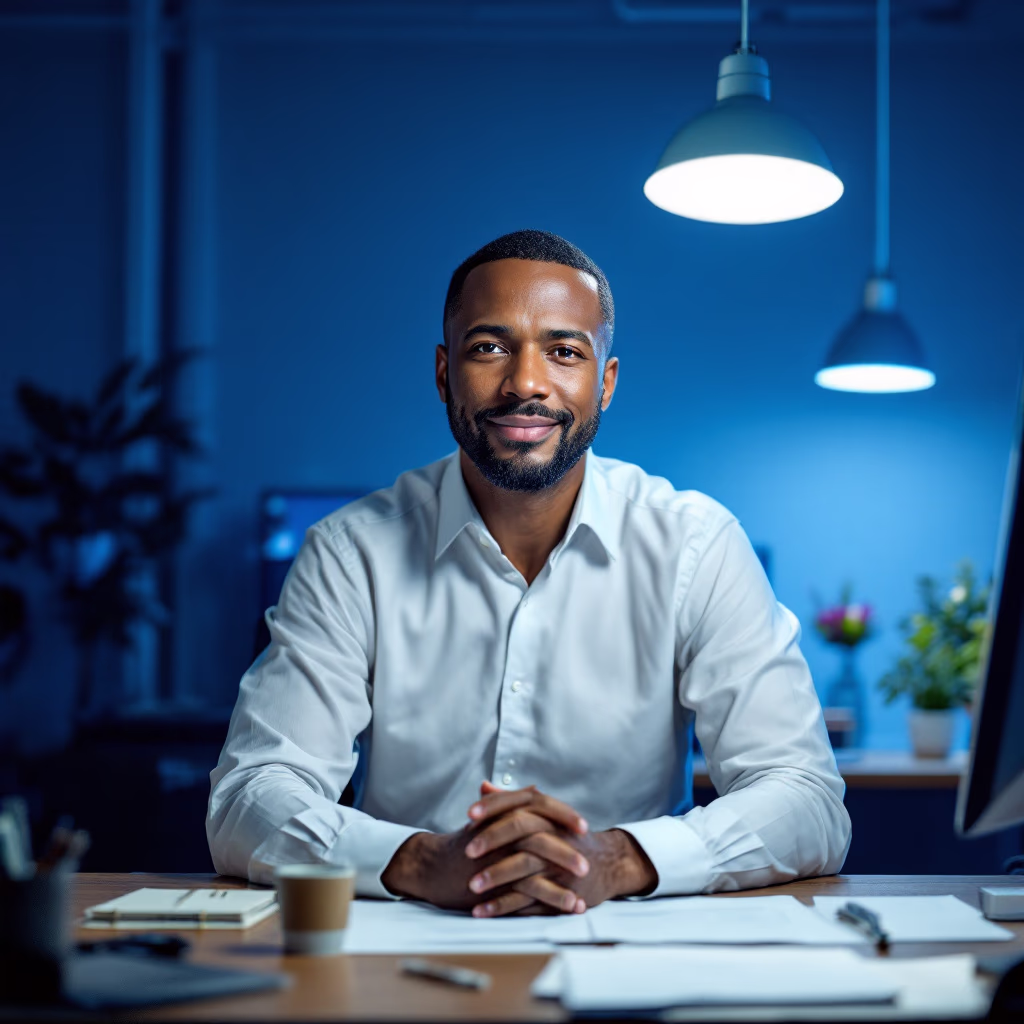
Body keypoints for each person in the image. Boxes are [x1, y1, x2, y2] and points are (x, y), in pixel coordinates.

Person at [207, 229, 851, 917]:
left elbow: (807, 799)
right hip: (400, 960)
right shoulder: (350, 552)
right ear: (443, 372)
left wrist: (616, 859)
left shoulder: (697, 544)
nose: (526, 384)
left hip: (634, 958)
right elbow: (251, 795)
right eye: (488, 348)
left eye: (564, 351)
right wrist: (420, 860)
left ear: (604, 384)